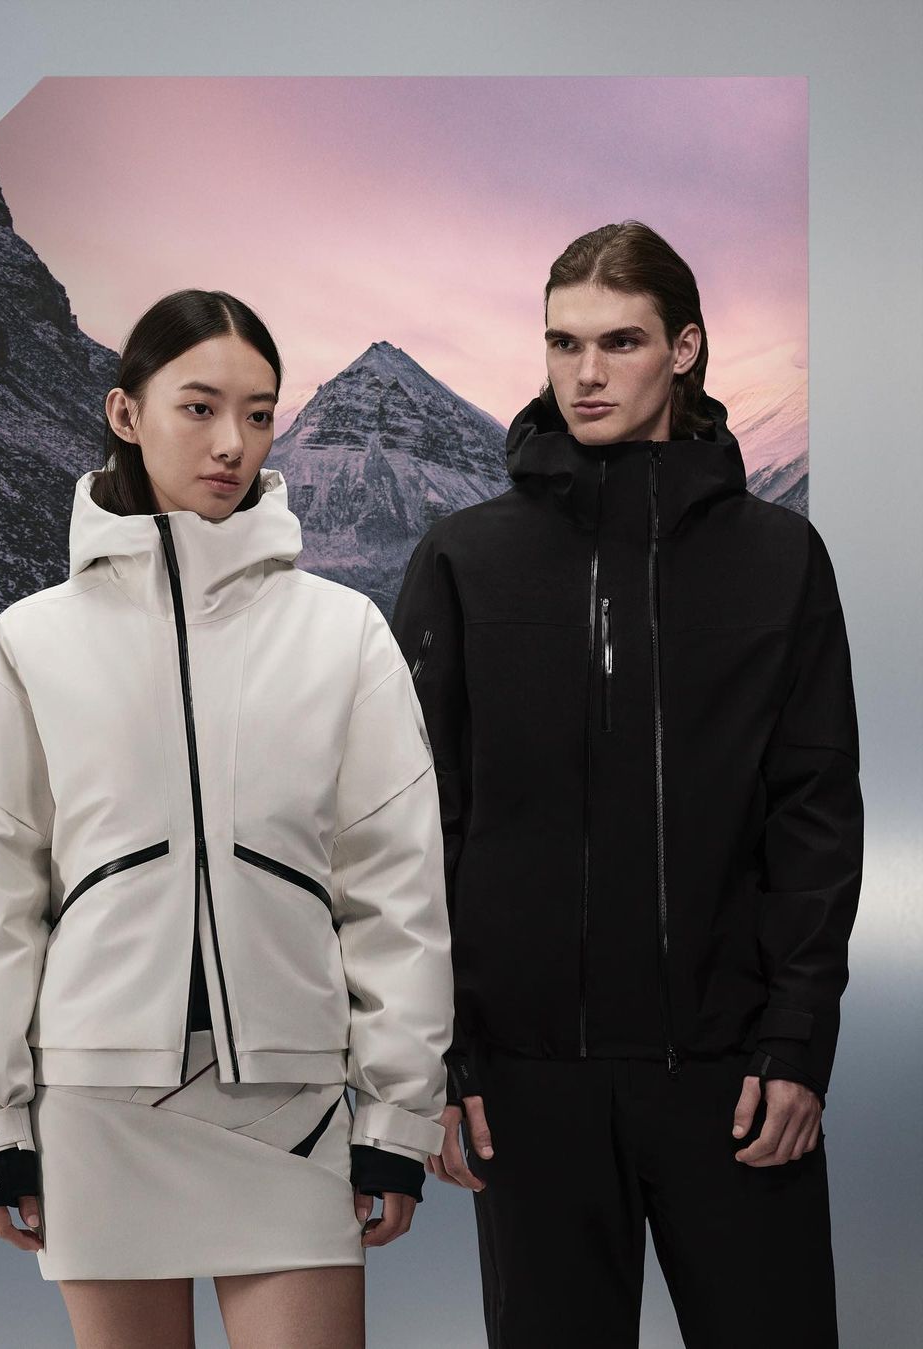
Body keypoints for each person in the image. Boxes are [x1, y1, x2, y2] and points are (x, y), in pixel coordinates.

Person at [0, 289, 453, 1349]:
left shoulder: (344, 634)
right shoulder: (30, 643)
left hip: (294, 1101)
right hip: (94, 1102)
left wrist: (398, 1113)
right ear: (126, 413)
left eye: (259, 414)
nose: (233, 443)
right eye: (201, 407)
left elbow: (396, 886)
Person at [391, 221, 863, 1348]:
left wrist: (795, 1044)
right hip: (527, 1087)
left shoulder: (780, 559)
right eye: (563, 343)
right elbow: (414, 827)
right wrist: (442, 1060)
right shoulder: (463, 561)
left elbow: (815, 811)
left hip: (732, 1077)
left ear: (686, 348)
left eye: (620, 341)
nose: (585, 373)